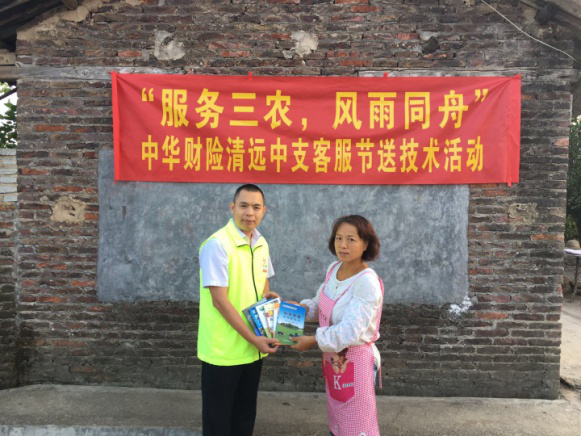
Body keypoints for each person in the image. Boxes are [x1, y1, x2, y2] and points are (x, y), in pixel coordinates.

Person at [197, 184, 280, 436]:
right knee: (218, 424)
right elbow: (219, 301)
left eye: (256, 207)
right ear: (232, 207)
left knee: (244, 420)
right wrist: (254, 338)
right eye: (243, 206)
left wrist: (269, 299)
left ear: (264, 211)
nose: (249, 213)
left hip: (252, 351)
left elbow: (263, 285)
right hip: (223, 351)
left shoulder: (261, 243)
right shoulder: (217, 245)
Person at [290, 215, 383, 436]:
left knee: (358, 426)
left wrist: (312, 340)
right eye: (339, 238)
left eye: (351, 239)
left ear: (365, 244)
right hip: (335, 360)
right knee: (338, 419)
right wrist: (295, 309)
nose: (343, 245)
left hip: (356, 361)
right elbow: (321, 304)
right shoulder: (334, 269)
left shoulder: (366, 282)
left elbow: (349, 331)